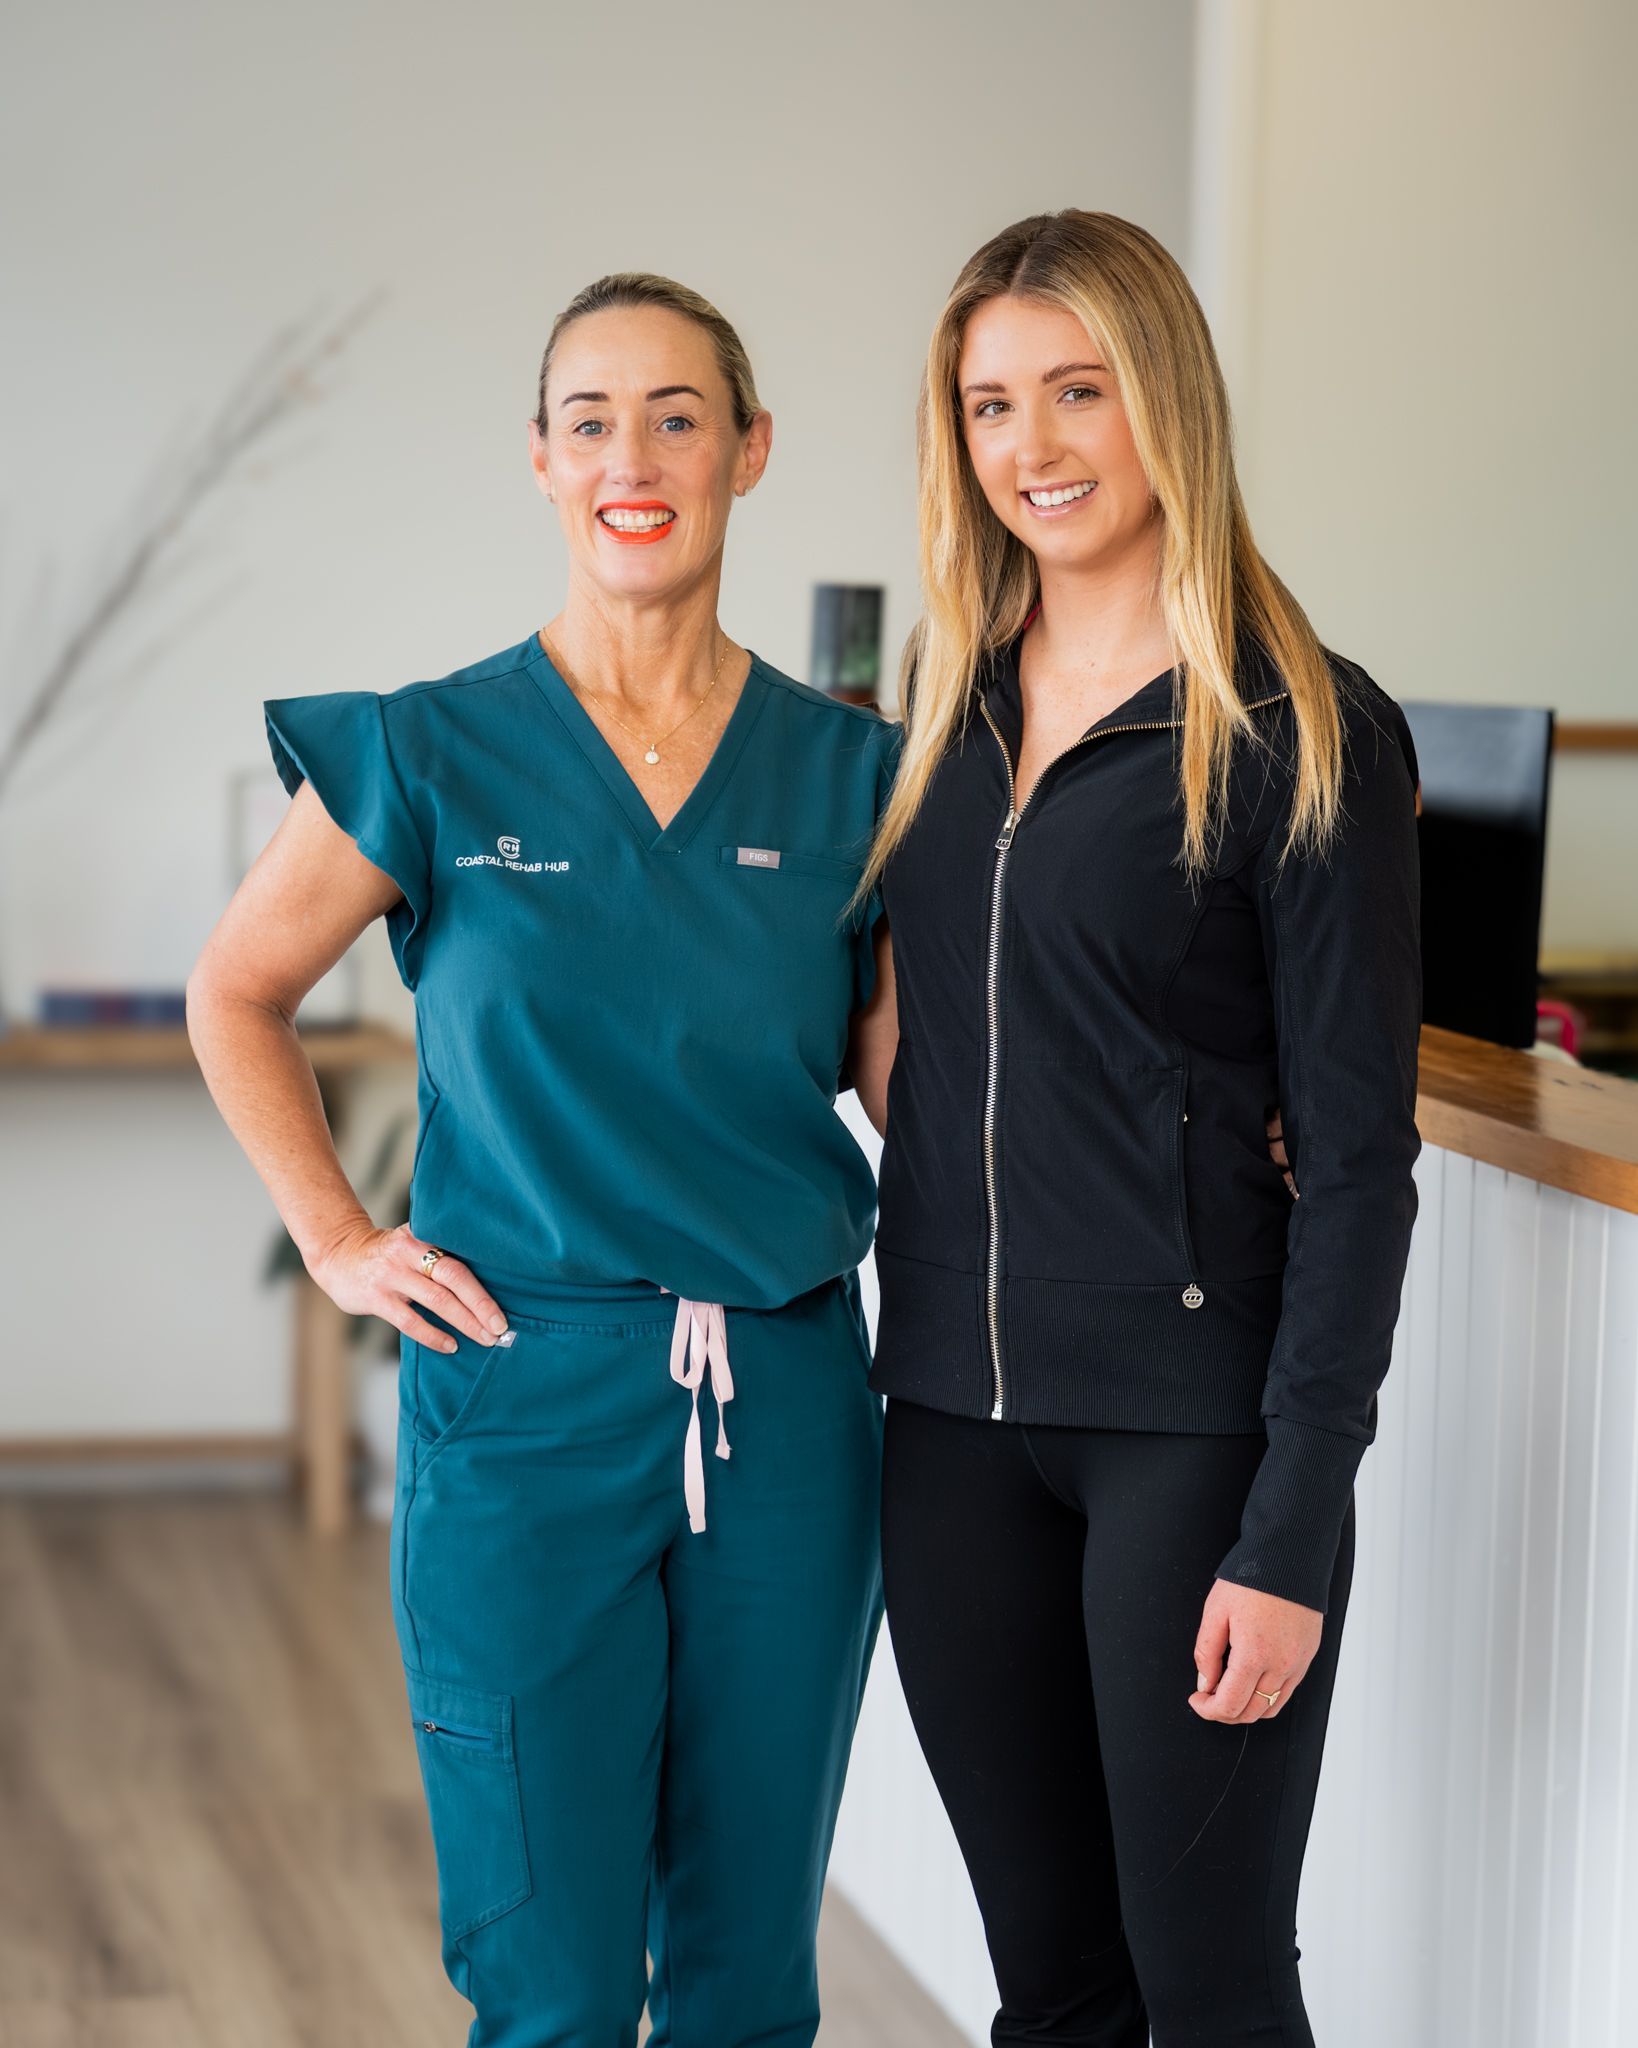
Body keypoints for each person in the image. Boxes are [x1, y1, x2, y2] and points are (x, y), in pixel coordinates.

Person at [185, 271, 901, 2048]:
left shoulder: (855, 778)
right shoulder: (430, 750)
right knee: (550, 1976)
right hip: (521, 1397)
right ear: (538, 460)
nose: (630, 458)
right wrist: (342, 1238)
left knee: (748, 1976)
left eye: (675, 416)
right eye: (588, 422)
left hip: (786, 1406)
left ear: (749, 450)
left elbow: (924, 1092)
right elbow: (239, 989)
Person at [850, 210, 1424, 2046]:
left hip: (1190, 1440)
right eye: (992, 404)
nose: (1032, 447)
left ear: (1164, 399)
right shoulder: (928, 727)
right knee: (1054, 1993)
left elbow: (1354, 1165)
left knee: (1210, 1984)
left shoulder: (1303, 729)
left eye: (1077, 391)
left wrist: (1291, 1523)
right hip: (945, 1420)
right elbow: (903, 1038)